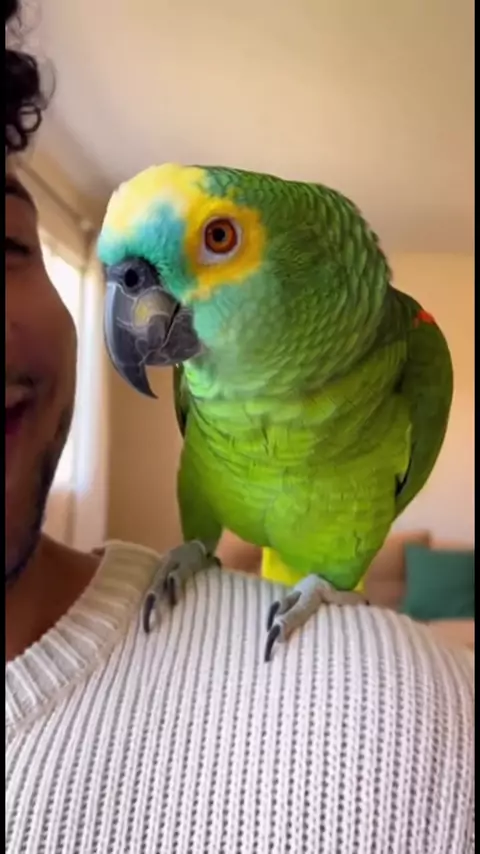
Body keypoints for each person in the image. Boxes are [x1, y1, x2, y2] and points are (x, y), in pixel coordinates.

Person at [5, 3, 474, 852]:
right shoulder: (202, 377)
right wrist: (197, 552)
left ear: (316, 256)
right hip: (213, 528)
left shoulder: (427, 731)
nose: (138, 300)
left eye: (218, 237)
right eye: (122, 276)